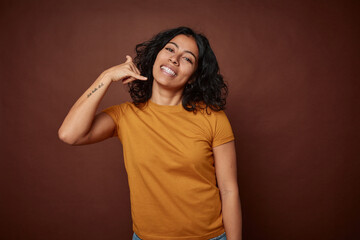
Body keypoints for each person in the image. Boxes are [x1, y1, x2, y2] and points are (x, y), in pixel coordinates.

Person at [58, 26, 242, 240]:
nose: (175, 59)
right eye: (170, 49)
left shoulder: (213, 118)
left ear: (193, 77)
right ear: (156, 57)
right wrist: (106, 76)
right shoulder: (125, 116)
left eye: (187, 59)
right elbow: (69, 134)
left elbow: (229, 191)